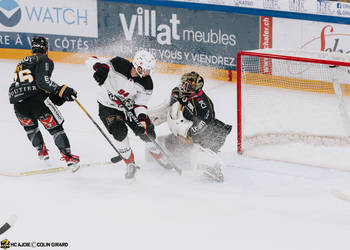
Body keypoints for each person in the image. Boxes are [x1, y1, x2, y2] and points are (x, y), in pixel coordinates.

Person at [85, 50, 168, 179]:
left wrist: (141, 119)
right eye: (147, 69)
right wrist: (101, 68)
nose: (149, 72)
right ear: (139, 67)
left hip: (129, 108)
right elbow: (91, 60)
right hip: (108, 106)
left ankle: (157, 153)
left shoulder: (147, 83)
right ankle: (130, 164)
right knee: (119, 132)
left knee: (147, 132)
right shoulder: (118, 64)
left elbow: (140, 104)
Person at [8, 36, 80, 172]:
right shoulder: (43, 59)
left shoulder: (21, 63)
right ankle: (69, 158)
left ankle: (42, 151)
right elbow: (43, 82)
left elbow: (36, 84)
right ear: (46, 48)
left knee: (31, 129)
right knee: (56, 129)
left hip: (18, 104)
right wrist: (61, 90)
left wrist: (55, 94)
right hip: (37, 101)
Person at [160, 72, 232, 181]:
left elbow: (204, 126)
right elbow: (174, 99)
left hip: (213, 135)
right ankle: (179, 157)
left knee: (197, 152)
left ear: (196, 88)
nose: (184, 86)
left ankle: (213, 167)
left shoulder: (203, 104)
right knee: (170, 142)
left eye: (188, 85)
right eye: (184, 83)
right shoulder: (181, 92)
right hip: (198, 129)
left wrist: (188, 135)